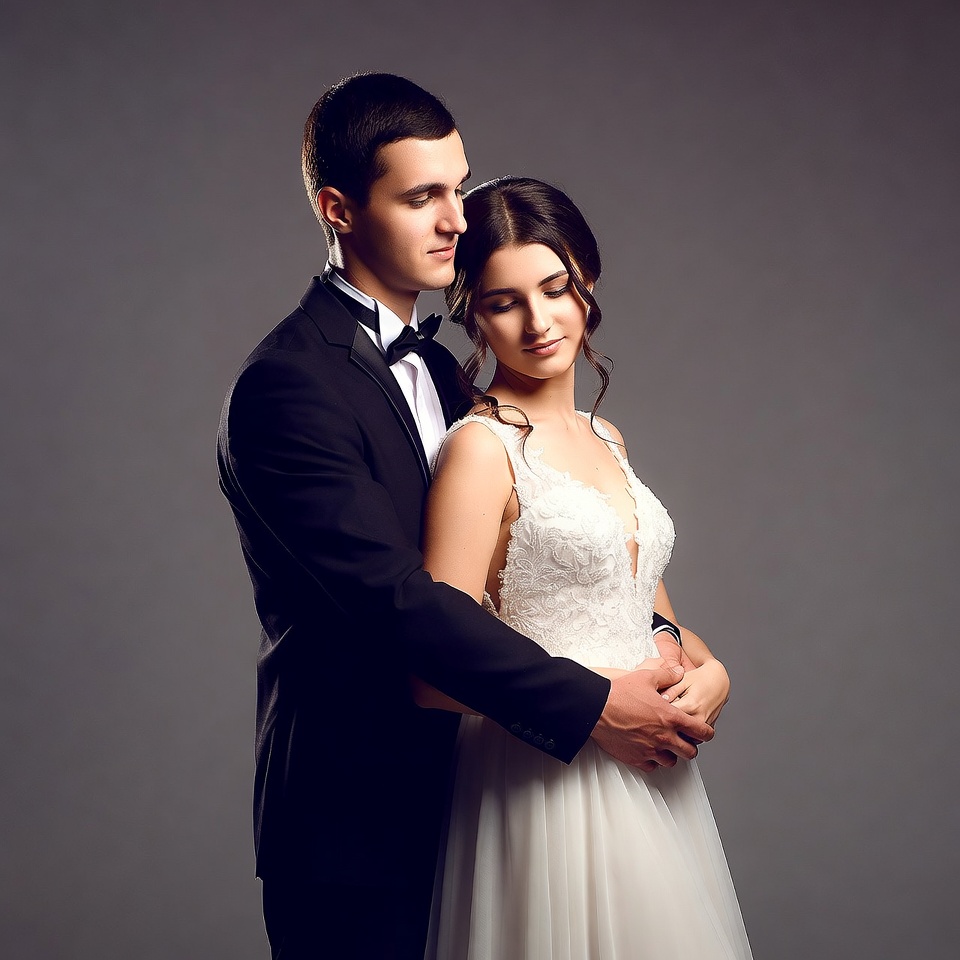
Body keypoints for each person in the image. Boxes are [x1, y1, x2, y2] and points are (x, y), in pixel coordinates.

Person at [217, 74, 712, 960]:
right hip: (356, 821)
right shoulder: (289, 385)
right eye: (422, 197)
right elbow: (401, 604)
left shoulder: (449, 378)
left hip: (480, 791)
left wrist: (676, 652)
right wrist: (597, 704)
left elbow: (546, 556)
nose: (457, 218)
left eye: (458, 185)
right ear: (337, 208)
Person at [417, 177, 753, 959]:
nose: (538, 322)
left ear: (587, 280)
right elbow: (433, 663)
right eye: (503, 302)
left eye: (555, 287)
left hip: (654, 784)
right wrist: (597, 706)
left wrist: (713, 674)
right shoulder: (480, 449)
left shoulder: (608, 438)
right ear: (472, 313)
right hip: (546, 783)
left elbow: (649, 615)